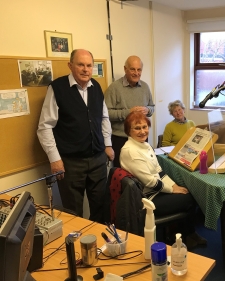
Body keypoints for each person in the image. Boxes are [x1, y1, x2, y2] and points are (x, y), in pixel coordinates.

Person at [37, 49, 114, 223]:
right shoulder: (57, 88)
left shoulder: (96, 87)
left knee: (101, 207)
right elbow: (45, 127)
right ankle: (77, 248)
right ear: (70, 65)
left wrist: (107, 144)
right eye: (80, 64)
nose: (85, 69)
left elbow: (103, 118)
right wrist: (54, 158)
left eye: (89, 65)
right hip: (71, 163)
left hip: (97, 159)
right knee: (73, 212)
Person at [120, 111, 206, 249]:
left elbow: (159, 171)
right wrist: (172, 190)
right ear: (128, 131)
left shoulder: (145, 145)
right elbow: (151, 182)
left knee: (186, 191)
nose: (142, 131)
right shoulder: (130, 151)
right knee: (190, 198)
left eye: (144, 127)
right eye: (137, 128)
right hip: (147, 199)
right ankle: (185, 235)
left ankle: (183, 233)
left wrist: (175, 186)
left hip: (155, 191)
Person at [104, 55, 155, 167]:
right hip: (121, 139)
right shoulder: (114, 88)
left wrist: (148, 110)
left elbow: (152, 107)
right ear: (125, 69)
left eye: (139, 69)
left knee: (144, 170)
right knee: (124, 176)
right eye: (132, 69)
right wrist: (128, 112)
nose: (136, 73)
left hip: (141, 138)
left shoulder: (145, 87)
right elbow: (105, 113)